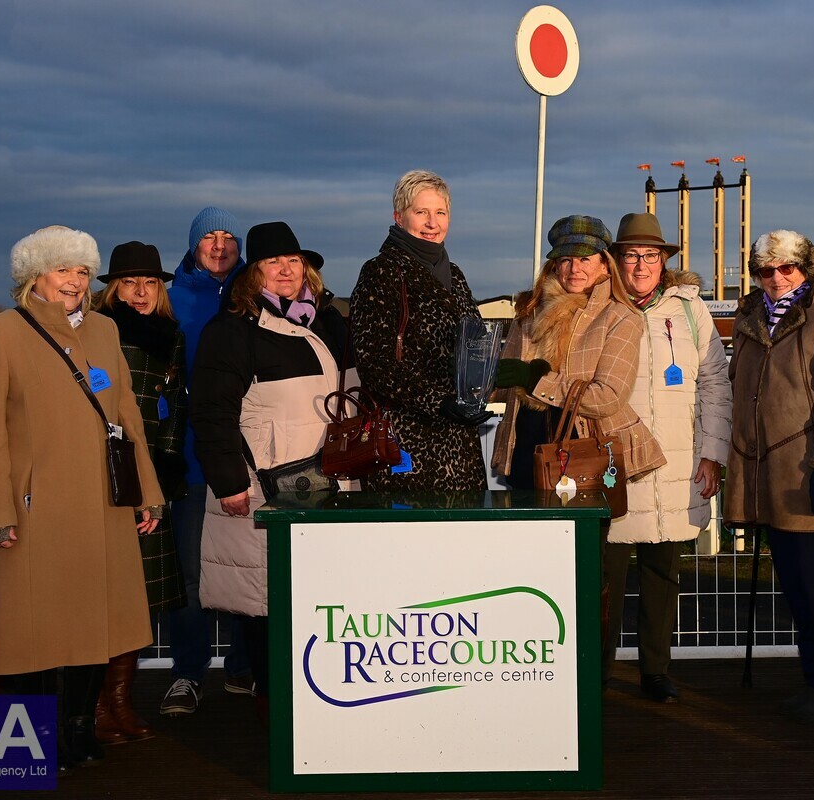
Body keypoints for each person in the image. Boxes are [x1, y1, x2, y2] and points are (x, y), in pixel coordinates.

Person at [0, 225, 163, 770]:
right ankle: (29, 738)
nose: (75, 282)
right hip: (33, 510)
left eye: (81, 271)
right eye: (62, 270)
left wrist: (147, 493)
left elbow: (128, 419)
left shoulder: (103, 330)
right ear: (34, 276)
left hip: (101, 506)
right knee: (30, 631)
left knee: (95, 627)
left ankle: (77, 728)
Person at [190, 221, 350, 719]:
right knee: (267, 596)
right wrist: (230, 482)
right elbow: (212, 411)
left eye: (294, 261)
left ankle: (316, 695)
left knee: (318, 592)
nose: (286, 270)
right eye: (273, 262)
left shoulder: (327, 321)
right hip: (263, 483)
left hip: (328, 482)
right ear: (252, 272)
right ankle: (272, 699)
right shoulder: (233, 329)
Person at [723, 229, 814, 723]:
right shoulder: (750, 316)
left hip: (813, 474)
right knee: (798, 588)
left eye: (787, 269)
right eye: (766, 270)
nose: (776, 279)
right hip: (771, 478)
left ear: (806, 270)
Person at [602, 213, 732, 702]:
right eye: (631, 255)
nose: (641, 265)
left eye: (650, 256)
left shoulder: (689, 310)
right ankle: (599, 671)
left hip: (679, 463)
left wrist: (713, 453)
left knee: (662, 573)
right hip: (616, 464)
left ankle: (655, 668)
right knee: (605, 579)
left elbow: (716, 384)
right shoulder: (600, 305)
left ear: (664, 261)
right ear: (616, 260)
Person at [91, 241, 189, 744]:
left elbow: (173, 405)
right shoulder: (94, 331)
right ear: (112, 288)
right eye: (129, 282)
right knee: (103, 596)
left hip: (150, 476)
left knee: (139, 596)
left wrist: (167, 466)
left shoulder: (172, 337)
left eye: (149, 283)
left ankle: (121, 704)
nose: (140, 292)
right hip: (105, 475)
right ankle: (95, 709)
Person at [491, 214, 664, 492]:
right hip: (524, 451)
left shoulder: (620, 317)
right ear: (555, 265)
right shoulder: (529, 312)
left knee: (580, 535)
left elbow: (608, 397)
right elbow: (501, 381)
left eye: (585, 259)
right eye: (566, 259)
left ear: (604, 265)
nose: (575, 269)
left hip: (584, 456)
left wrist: (537, 381)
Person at [162, 206, 252, 715]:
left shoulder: (253, 298)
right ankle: (188, 672)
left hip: (249, 462)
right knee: (191, 573)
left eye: (228, 237)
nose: (219, 246)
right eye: (209, 237)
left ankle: (242, 667)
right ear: (193, 245)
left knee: (246, 568)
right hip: (192, 462)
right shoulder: (172, 300)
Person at [350, 170, 490, 492]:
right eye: (421, 212)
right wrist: (438, 401)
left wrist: (482, 383)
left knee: (462, 538)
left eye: (440, 212)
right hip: (406, 440)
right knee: (409, 538)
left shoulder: (454, 274)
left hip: (460, 441)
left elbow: (476, 343)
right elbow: (375, 364)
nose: (432, 223)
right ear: (399, 217)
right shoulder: (381, 272)